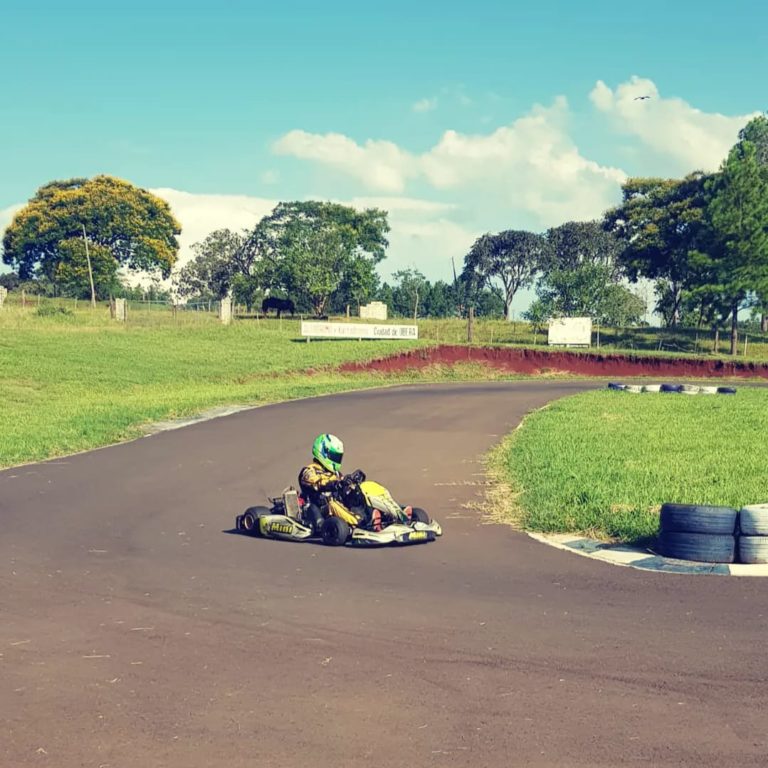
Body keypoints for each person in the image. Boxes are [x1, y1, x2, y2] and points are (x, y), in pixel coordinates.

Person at [298, 434, 386, 531]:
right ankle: (362, 523)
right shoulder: (309, 471)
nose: (337, 459)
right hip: (321, 507)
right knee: (332, 503)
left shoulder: (333, 473)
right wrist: (336, 484)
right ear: (323, 453)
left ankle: (384, 513)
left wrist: (351, 482)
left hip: (339, 502)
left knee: (357, 491)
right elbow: (318, 483)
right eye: (335, 456)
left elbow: (342, 483)